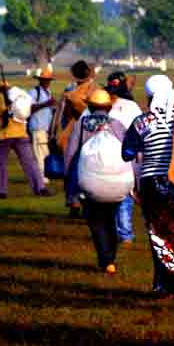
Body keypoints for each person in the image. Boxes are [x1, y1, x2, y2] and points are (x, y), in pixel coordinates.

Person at [122, 75, 174, 296]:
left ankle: (164, 284)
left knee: (158, 233)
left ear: (149, 97)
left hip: (152, 183)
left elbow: (127, 153)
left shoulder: (142, 122)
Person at [64, 89, 128, 275]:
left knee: (96, 221)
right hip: (116, 181)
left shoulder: (81, 125)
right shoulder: (117, 124)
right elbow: (130, 155)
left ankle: (106, 259)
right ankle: (110, 258)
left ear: (90, 106)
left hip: (90, 182)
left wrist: (70, 182)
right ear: (109, 107)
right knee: (110, 219)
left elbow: (71, 155)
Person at [86, 71, 143, 246]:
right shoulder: (131, 106)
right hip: (120, 159)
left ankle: (114, 235)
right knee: (123, 197)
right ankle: (125, 235)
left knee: (106, 202)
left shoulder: (94, 111)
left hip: (100, 162)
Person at [0, 82, 49, 199]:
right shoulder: (18, 95)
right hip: (21, 132)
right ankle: (40, 188)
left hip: (4, 135)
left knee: (1, 164)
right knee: (30, 163)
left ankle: (1, 191)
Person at [53, 60, 97, 218]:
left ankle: (73, 201)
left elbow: (60, 115)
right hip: (89, 133)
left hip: (70, 133)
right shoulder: (94, 89)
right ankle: (83, 202)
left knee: (71, 167)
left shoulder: (69, 90)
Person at [28, 68, 57, 186]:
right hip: (37, 126)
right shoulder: (34, 92)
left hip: (45, 128)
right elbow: (30, 108)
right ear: (40, 80)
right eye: (45, 80)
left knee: (44, 153)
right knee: (39, 154)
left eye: (49, 80)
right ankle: (41, 178)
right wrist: (47, 104)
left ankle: (44, 175)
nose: (47, 82)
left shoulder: (47, 92)